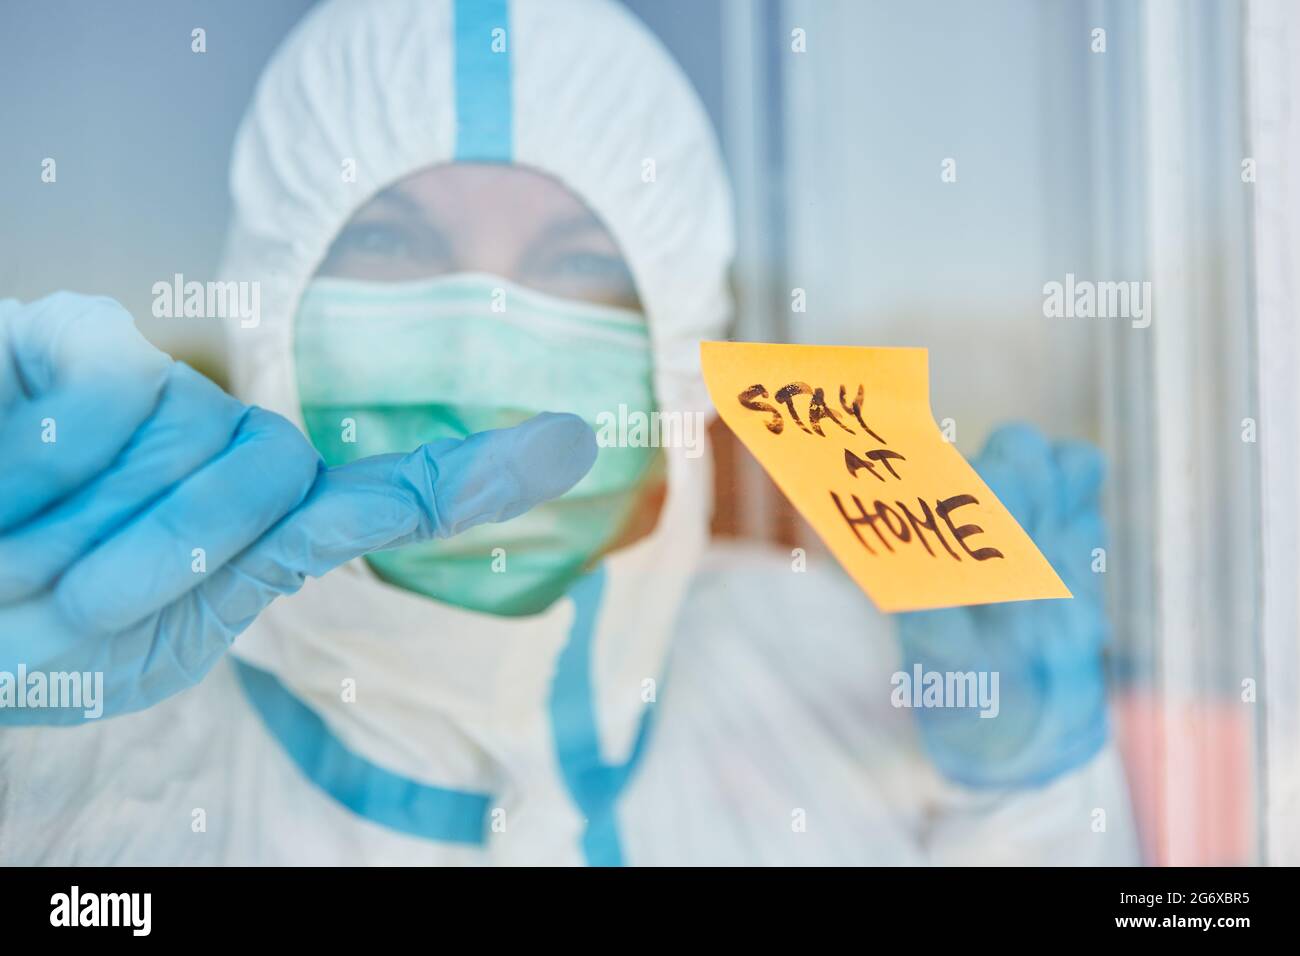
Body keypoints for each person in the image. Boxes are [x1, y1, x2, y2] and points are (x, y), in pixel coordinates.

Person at [0, 0, 1137, 865]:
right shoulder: (82, 765)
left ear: (679, 348)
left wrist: (1029, 799)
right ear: (270, 313)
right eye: (395, 245)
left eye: (579, 265)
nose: (484, 342)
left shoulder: (826, 672)